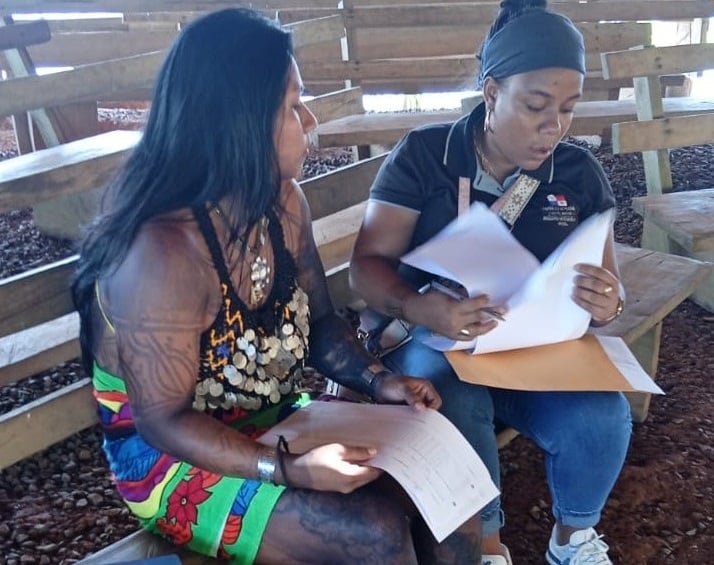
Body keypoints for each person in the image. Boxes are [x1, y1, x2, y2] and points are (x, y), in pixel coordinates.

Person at [71, 8, 483, 564]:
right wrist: (288, 470)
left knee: (449, 491)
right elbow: (162, 421)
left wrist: (380, 380)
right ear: (238, 122)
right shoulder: (160, 253)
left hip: (275, 415)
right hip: (171, 457)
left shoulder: (282, 203)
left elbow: (319, 326)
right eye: (292, 106)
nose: (308, 121)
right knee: (374, 533)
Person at [349, 1, 632, 564]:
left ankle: (572, 540)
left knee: (604, 413)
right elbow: (366, 267)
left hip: (531, 353)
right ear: (491, 93)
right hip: (435, 349)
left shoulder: (576, 173)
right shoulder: (427, 156)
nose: (554, 126)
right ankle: (484, 545)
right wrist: (423, 307)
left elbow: (609, 284)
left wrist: (607, 302)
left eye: (568, 110)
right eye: (535, 106)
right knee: (445, 393)